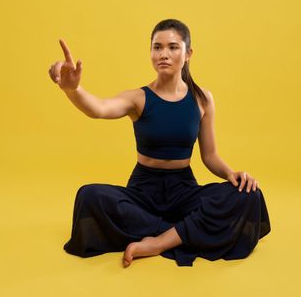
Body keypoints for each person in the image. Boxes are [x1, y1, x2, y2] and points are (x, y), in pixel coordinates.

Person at [48, 19, 271, 267]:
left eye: (173, 47)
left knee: (248, 195)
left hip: (184, 191)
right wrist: (72, 90)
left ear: (188, 54)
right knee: (89, 196)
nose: (163, 54)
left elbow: (210, 155)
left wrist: (232, 174)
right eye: (157, 47)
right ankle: (185, 233)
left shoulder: (202, 99)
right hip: (143, 191)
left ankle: (158, 242)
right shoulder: (138, 97)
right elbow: (99, 109)